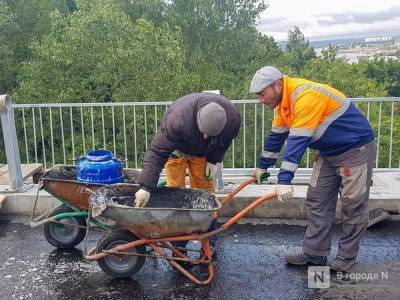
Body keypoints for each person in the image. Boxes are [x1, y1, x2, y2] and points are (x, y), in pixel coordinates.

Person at [249, 66, 375, 272]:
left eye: (263, 94)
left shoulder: (306, 96)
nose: (261, 100)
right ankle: (315, 254)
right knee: (318, 200)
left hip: (354, 149)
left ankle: (346, 255)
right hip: (328, 152)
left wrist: (284, 180)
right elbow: (275, 138)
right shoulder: (284, 105)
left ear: (278, 85)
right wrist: (262, 167)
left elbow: (297, 141)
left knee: (353, 204)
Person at [135, 92, 241, 256]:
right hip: (176, 151)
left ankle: (209, 243)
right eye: (204, 132)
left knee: (206, 196)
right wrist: (145, 187)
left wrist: (214, 160)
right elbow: (157, 152)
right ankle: (179, 245)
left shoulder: (232, 120)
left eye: (210, 134)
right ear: (198, 120)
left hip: (202, 154)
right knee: (175, 197)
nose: (206, 136)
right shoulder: (177, 120)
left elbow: (223, 143)